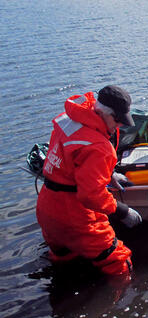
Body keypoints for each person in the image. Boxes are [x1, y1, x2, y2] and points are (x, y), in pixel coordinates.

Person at [36, 85, 142, 277]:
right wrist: (122, 211)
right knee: (119, 261)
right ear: (101, 112)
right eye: (117, 120)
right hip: (74, 213)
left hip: (47, 208)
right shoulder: (99, 147)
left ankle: (63, 293)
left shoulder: (71, 118)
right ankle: (120, 305)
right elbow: (91, 195)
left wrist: (108, 174)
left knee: (64, 256)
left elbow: (69, 159)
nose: (119, 125)